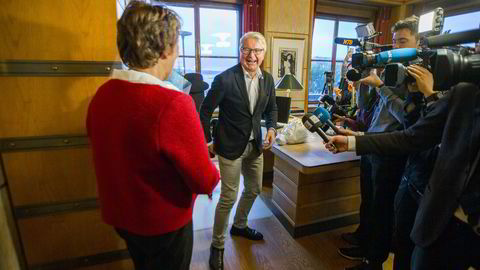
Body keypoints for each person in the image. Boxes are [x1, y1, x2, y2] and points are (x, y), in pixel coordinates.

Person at [86, 2, 220, 270]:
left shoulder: (103, 94)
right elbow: (204, 180)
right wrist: (208, 156)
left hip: (122, 217)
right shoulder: (172, 103)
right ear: (167, 49)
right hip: (161, 222)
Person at [326, 81, 480, 270]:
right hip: (435, 206)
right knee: (404, 248)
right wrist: (353, 141)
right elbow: (412, 135)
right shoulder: (466, 93)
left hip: (461, 215)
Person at [337, 16, 421, 270]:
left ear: (418, 42)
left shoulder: (417, 74)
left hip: (390, 151)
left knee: (382, 207)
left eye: (404, 41)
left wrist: (382, 86)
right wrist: (363, 80)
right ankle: (364, 239)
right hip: (371, 143)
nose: (397, 46)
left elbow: (405, 116)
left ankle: (373, 259)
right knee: (369, 200)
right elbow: (364, 105)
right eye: (395, 41)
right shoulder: (390, 65)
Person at [200, 31, 278, 270]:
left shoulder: (267, 79)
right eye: (247, 49)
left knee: (254, 189)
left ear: (264, 54)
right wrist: (209, 140)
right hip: (229, 146)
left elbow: (272, 109)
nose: (252, 55)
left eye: (257, 51)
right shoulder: (224, 79)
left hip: (255, 146)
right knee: (228, 197)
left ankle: (240, 225)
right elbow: (204, 111)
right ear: (240, 51)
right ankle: (218, 245)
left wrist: (272, 129)